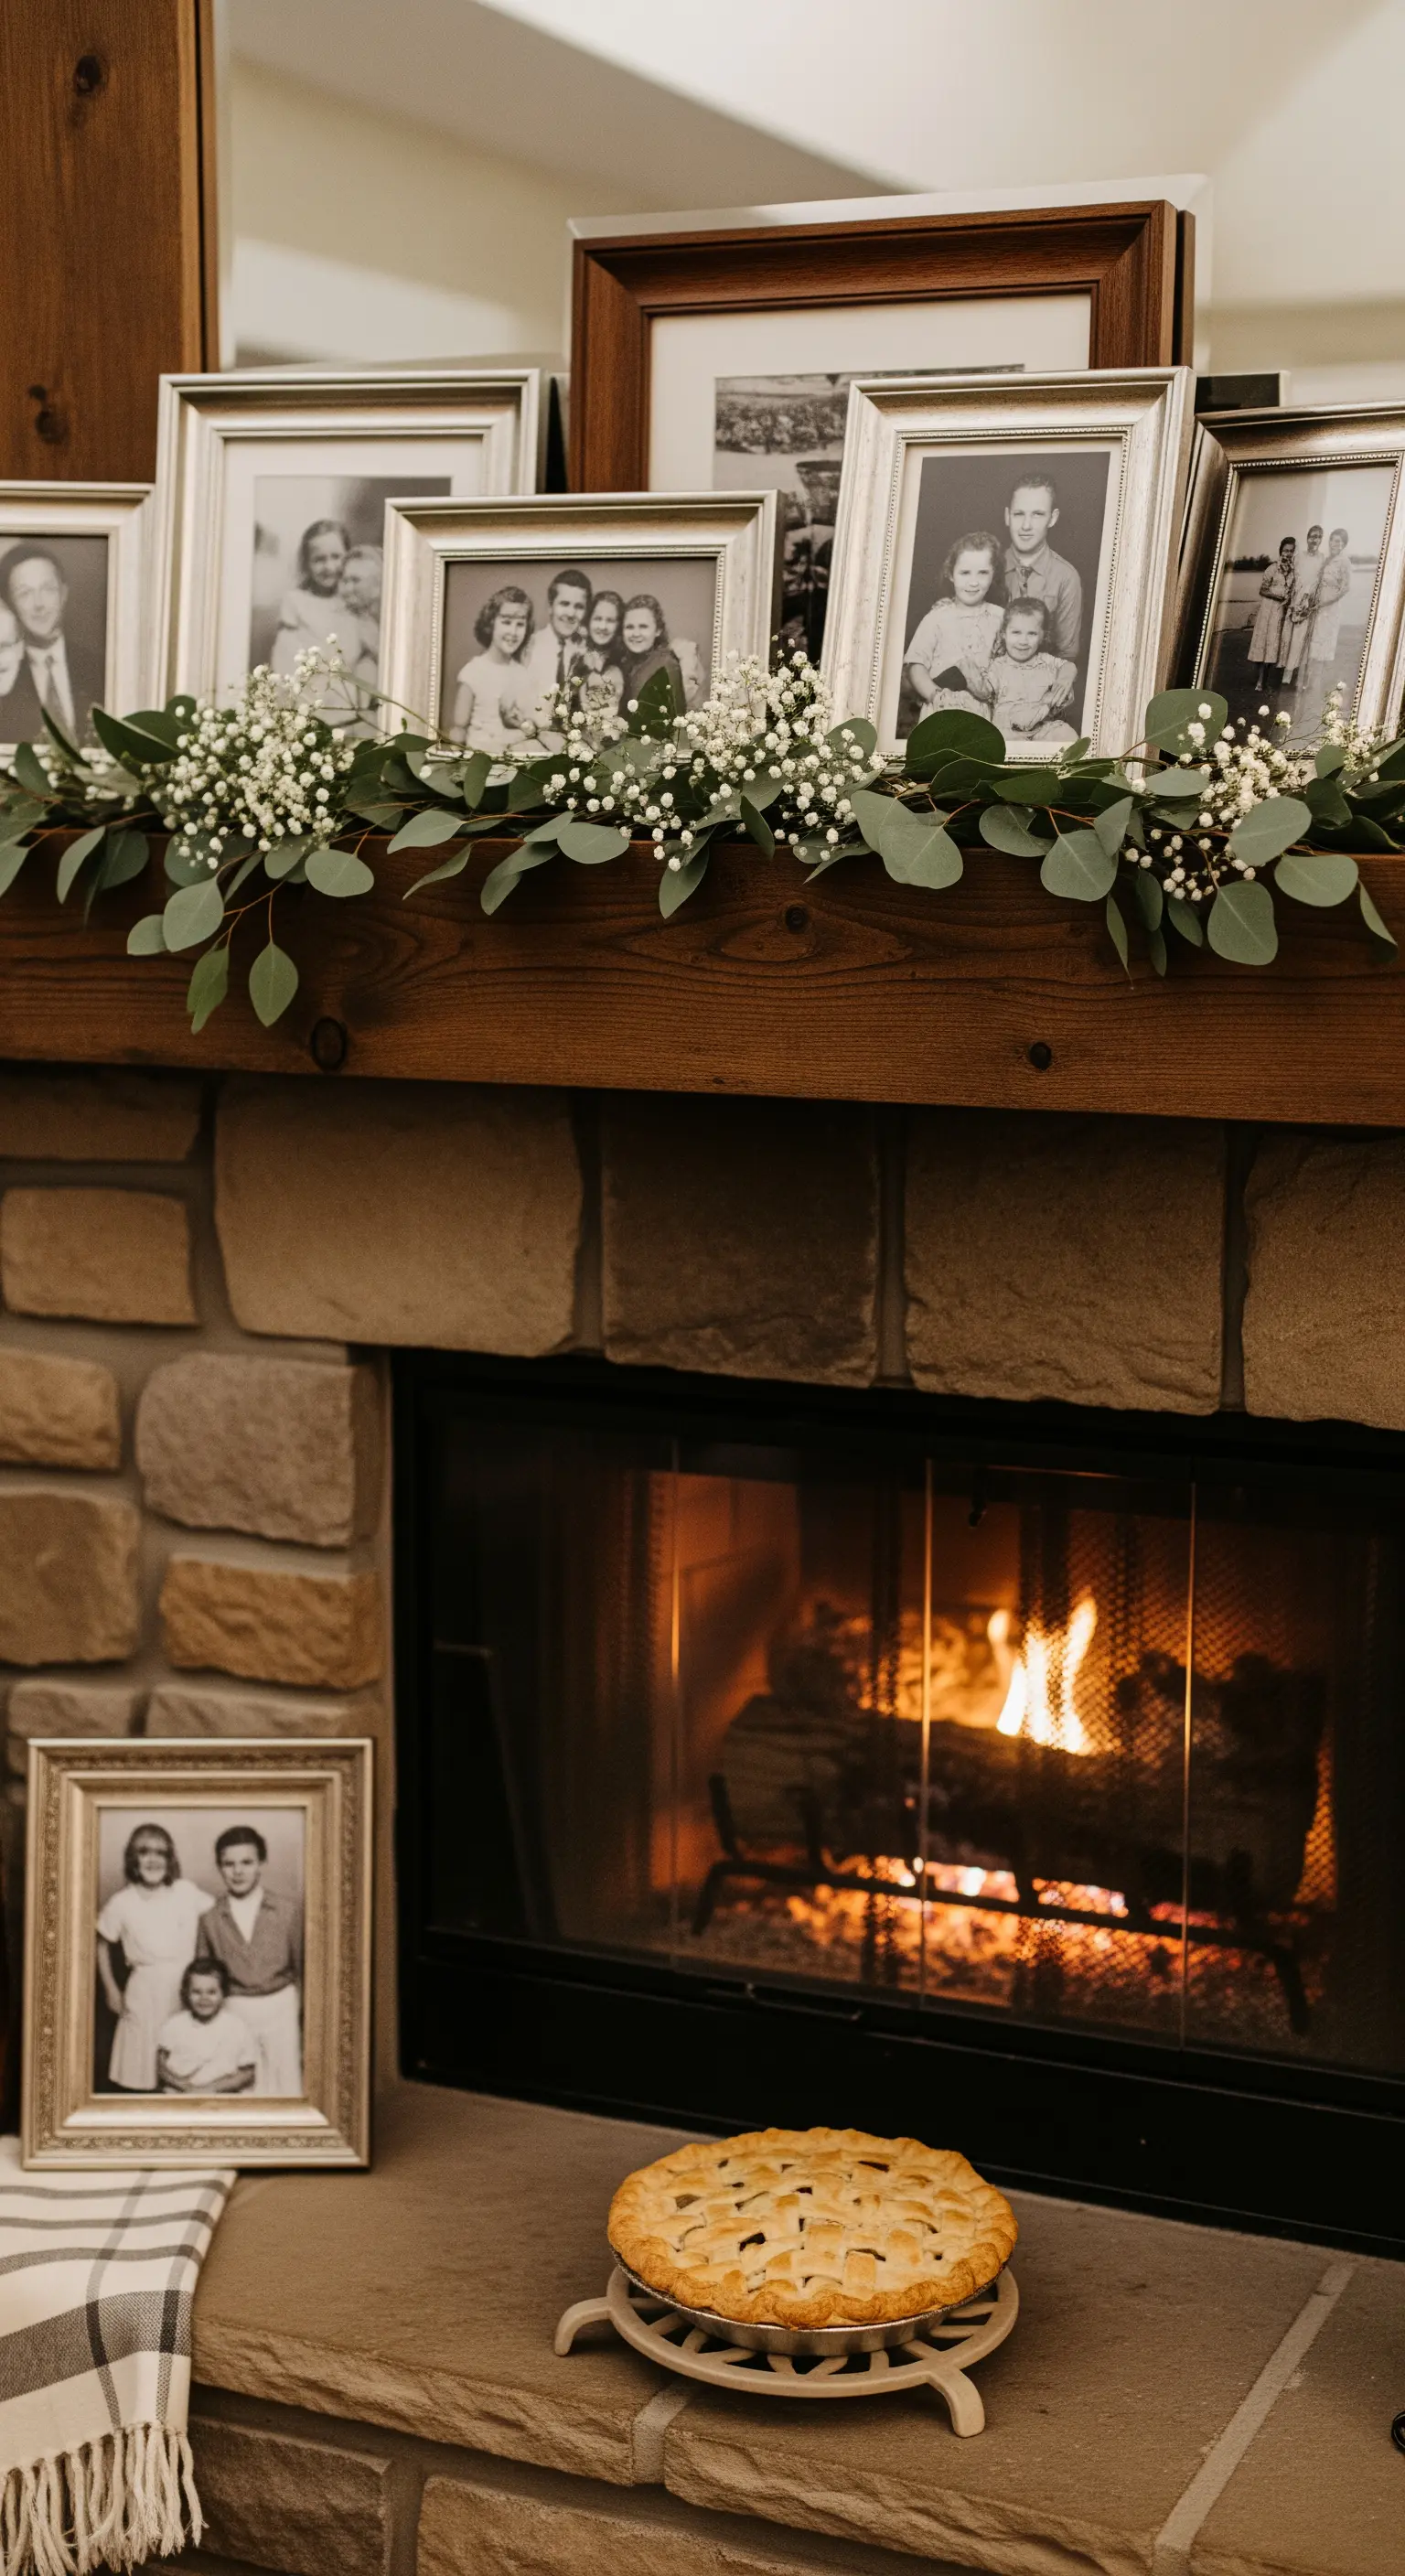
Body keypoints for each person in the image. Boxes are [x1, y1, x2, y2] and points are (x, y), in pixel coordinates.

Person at [95, 1824, 213, 2093]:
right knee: (142, 2067)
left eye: (161, 1853)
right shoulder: (122, 1902)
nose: (152, 1859)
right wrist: (111, 1989)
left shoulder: (185, 1891)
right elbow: (102, 1942)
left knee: (184, 2061)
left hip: (185, 1986)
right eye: (144, 1852)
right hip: (144, 1990)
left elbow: (218, 1918)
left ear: (170, 1860)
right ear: (132, 1859)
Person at [196, 1824, 304, 2097]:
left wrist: (305, 2020)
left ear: (261, 1863)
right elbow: (204, 1976)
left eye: (247, 1862)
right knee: (241, 2084)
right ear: (219, 1867)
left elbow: (306, 1970)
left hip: (282, 2007)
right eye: (228, 1864)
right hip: (235, 2009)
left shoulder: (288, 1911)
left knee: (285, 2082)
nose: (238, 1871)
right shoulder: (210, 1918)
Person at [0, 541, 105, 744]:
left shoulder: (99, 667)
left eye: (48, 589)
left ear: (64, 593)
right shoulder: (5, 673)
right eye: (25, 593)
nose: (38, 604)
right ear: (10, 602)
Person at [903, 530, 1004, 720]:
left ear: (994, 575)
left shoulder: (1001, 618)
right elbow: (916, 666)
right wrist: (935, 694)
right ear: (951, 574)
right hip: (942, 709)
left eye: (983, 573)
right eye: (965, 573)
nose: (973, 582)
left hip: (985, 714)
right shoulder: (936, 618)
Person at [1002, 474, 1082, 664]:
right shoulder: (987, 568)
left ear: (1052, 518)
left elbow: (1067, 655)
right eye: (1019, 514)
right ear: (1007, 516)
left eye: (1037, 514)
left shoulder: (1066, 577)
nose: (1026, 526)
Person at [270, 520, 364, 674]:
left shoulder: (355, 602)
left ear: (348, 557)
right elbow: (284, 660)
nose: (329, 567)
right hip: (310, 690)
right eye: (319, 560)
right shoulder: (296, 602)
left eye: (336, 557)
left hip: (348, 692)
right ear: (306, 564)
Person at [451, 585, 537, 754]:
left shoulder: (523, 675)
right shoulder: (473, 672)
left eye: (520, 624)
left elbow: (530, 728)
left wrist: (523, 725)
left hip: (515, 770)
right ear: (491, 623)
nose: (513, 632)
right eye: (506, 622)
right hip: (479, 768)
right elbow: (458, 730)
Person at [156, 1958, 257, 2098]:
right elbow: (161, 2067)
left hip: (223, 2096)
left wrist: (210, 2089)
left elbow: (247, 2073)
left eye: (212, 1992)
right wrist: (185, 2087)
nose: (204, 1998)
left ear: (224, 1993)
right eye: (196, 1992)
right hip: (180, 2094)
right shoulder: (174, 2025)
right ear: (186, 1993)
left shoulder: (237, 2027)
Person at [509, 566, 592, 735]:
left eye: (579, 606)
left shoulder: (585, 653)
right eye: (564, 604)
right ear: (550, 606)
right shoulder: (526, 648)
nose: (571, 613)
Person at [984, 597, 1078, 743]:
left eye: (1032, 634)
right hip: (1007, 731)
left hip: (1042, 729)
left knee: (1066, 735)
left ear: (1043, 636)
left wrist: (1063, 680)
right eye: (1016, 632)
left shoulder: (1046, 660)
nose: (1023, 641)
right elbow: (982, 692)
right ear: (1004, 634)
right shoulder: (997, 666)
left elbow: (1069, 666)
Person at [1298, 526, 1353, 716]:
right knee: (1314, 643)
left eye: (1338, 541)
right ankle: (1311, 683)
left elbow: (1345, 589)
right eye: (1332, 540)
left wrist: (1325, 603)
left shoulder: (1344, 561)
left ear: (1344, 544)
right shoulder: (1327, 559)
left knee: (1323, 646)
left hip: (1330, 609)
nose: (1334, 544)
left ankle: (1315, 687)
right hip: (1318, 607)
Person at [618, 595, 685, 712]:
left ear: (658, 630)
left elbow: (676, 719)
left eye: (643, 627)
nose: (636, 633)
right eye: (629, 627)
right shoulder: (626, 663)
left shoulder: (667, 664)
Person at [1248, 537, 1295, 693]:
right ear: (1280, 551)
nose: (1288, 554)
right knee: (1265, 643)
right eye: (1285, 550)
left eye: (1291, 551)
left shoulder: (1292, 571)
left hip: (1280, 612)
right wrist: (1277, 597)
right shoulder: (1272, 568)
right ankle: (1260, 682)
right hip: (1268, 610)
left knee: (1273, 645)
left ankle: (1265, 680)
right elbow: (1262, 590)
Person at [1282, 525, 1325, 691]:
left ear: (1321, 540)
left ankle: (1300, 677)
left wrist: (1313, 600)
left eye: (1318, 537)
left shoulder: (1322, 558)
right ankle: (1287, 674)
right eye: (1312, 536)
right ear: (1307, 538)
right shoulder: (1298, 557)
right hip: (1295, 601)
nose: (1314, 540)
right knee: (1291, 639)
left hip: (1310, 604)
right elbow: (1292, 578)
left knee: (1305, 641)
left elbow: (1320, 582)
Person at [338, 545, 382, 692]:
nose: (347, 589)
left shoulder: (395, 622)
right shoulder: (339, 621)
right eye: (345, 581)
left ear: (377, 586)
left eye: (356, 581)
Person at [578, 587, 627, 718]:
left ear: (619, 625)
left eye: (610, 620)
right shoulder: (576, 656)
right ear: (588, 621)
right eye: (597, 619)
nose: (603, 627)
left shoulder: (624, 660)